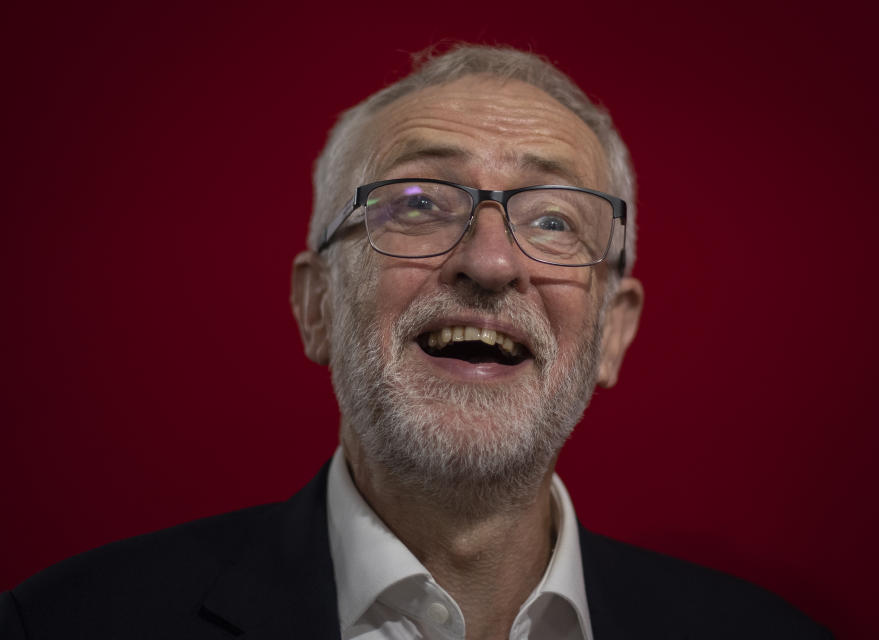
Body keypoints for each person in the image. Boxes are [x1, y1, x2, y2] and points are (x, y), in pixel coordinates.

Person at [0, 44, 831, 639]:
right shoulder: (63, 623)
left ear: (613, 331)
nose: (490, 261)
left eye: (552, 219)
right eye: (419, 203)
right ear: (316, 305)